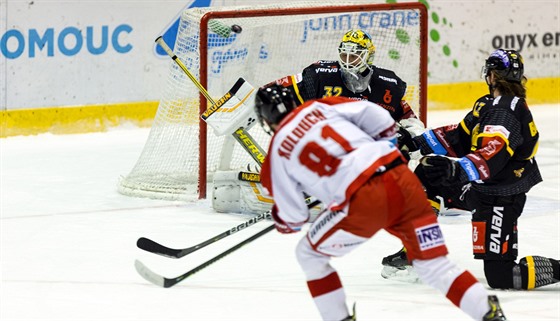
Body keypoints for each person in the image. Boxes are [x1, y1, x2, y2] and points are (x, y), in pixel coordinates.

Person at [255, 84, 508, 321]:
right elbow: (373, 112)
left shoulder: (277, 152)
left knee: (308, 254)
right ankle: (487, 311)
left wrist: (281, 218)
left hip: (363, 199)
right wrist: (387, 142)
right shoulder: (319, 107)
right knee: (433, 265)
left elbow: (294, 218)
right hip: (402, 180)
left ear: (266, 120)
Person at [383, 49, 560, 290]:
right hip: (481, 187)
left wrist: (458, 172)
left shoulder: (503, 112)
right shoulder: (489, 104)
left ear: (493, 76)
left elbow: (492, 155)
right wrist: (416, 143)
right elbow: (459, 136)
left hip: (501, 196)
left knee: (502, 276)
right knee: (427, 173)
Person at [266, 28, 426, 140]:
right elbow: (277, 89)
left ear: (369, 56)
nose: (348, 61)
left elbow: (409, 120)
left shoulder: (387, 84)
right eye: (344, 55)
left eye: (354, 56)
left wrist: (411, 135)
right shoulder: (320, 75)